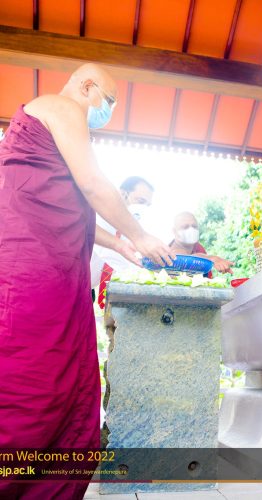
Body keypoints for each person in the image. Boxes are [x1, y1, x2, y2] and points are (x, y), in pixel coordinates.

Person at [0, 62, 176, 499]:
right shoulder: (62, 107)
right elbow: (94, 185)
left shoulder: (56, 121)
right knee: (33, 385)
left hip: (54, 273)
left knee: (69, 385)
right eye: (109, 100)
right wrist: (140, 235)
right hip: (32, 271)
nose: (108, 110)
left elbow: (69, 205)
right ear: (88, 85)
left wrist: (119, 244)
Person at [91, 175, 155, 308]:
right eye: (140, 201)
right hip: (63, 282)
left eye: (148, 205)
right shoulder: (95, 215)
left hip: (87, 293)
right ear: (122, 194)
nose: (142, 208)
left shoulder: (134, 233)